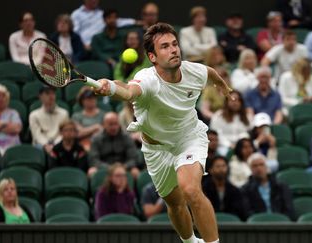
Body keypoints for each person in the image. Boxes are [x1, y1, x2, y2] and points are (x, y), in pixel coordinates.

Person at [94, 23, 233, 243]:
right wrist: (110, 86)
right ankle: (190, 242)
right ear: (153, 57)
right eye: (165, 47)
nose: (174, 50)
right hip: (156, 149)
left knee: (191, 190)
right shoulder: (148, 80)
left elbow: (211, 73)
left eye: (175, 44)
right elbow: (129, 90)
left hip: (188, 138)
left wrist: (223, 86)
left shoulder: (193, 71)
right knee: (175, 205)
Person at [241, 153, 295, 220]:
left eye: (261, 164)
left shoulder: (281, 186)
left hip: (281, 225)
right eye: (255, 166)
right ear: (250, 169)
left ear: (266, 167)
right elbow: (247, 212)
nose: (259, 168)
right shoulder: (245, 190)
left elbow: (289, 209)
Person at [88, 112, 139, 178]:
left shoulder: (126, 137)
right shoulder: (96, 139)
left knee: (135, 172)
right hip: (104, 168)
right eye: (110, 124)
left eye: (116, 124)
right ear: (104, 125)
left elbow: (134, 158)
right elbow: (93, 160)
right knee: (91, 172)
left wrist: (124, 167)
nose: (114, 127)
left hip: (124, 167)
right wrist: (110, 168)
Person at [71, 0, 137, 49]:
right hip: (81, 47)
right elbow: (75, 33)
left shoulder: (101, 14)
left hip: (98, 45)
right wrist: (83, 45)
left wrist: (136, 22)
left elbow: (119, 21)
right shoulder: (76, 14)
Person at [202, 156, 247, 221]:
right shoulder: (203, 189)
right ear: (210, 170)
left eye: (223, 166)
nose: (221, 169)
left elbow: (240, 212)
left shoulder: (234, 190)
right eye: (218, 166)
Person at [29, 86, 69, 154]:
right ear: (40, 96)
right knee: (38, 148)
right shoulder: (34, 115)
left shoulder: (64, 113)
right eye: (47, 93)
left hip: (58, 143)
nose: (51, 96)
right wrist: (46, 145)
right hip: (41, 144)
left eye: (53, 93)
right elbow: (37, 134)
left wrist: (55, 145)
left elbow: (63, 133)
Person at [72, 87, 105, 151]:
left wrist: (87, 131)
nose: (92, 99)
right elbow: (78, 134)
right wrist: (96, 127)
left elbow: (105, 131)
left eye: (93, 97)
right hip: (83, 145)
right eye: (89, 98)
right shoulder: (76, 116)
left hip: (101, 143)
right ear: (82, 100)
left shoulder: (104, 115)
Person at [0, 85, 22, 155]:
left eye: (3, 96)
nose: (1, 99)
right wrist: (7, 124)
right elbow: (12, 128)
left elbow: (16, 129)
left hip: (12, 146)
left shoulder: (13, 113)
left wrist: (1, 124)